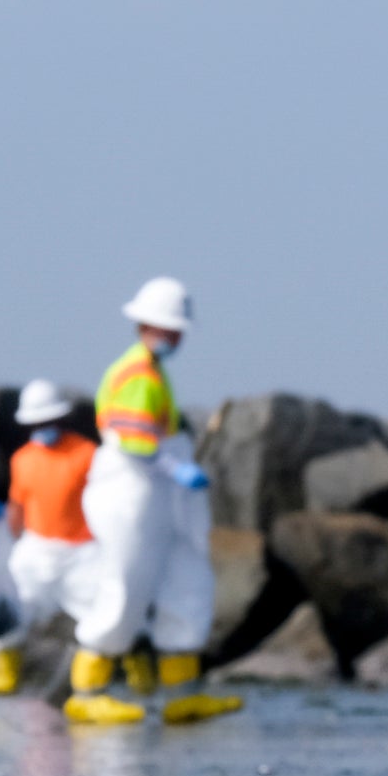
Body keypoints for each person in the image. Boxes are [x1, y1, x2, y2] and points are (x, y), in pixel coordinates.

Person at [64, 277, 242, 726]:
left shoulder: (153, 372)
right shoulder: (137, 374)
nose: (176, 336)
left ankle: (182, 692)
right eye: (169, 327)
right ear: (147, 325)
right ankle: (88, 691)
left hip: (155, 492)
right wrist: (175, 467)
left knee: (185, 579)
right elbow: (134, 442)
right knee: (125, 584)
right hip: (130, 490)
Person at [0, 380, 98, 696]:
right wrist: (13, 542)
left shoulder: (87, 453)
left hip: (83, 551)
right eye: (36, 423)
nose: (42, 428)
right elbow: (17, 506)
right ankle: (4, 674)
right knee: (15, 610)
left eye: (48, 421)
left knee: (101, 614)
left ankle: (91, 684)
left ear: (60, 419)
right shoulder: (22, 459)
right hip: (37, 548)